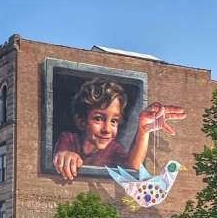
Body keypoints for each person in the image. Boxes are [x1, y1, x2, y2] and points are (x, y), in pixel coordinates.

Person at [53, 77, 186, 181]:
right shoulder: (69, 139)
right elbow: (62, 153)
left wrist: (144, 130)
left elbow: (133, 166)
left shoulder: (114, 149)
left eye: (114, 121)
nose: (107, 129)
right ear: (81, 121)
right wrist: (65, 155)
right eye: (98, 118)